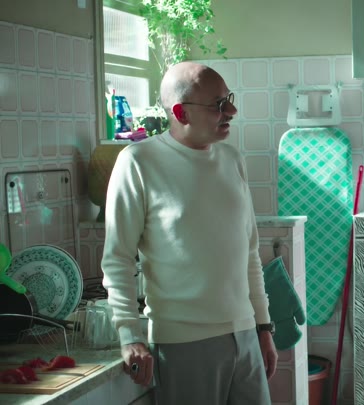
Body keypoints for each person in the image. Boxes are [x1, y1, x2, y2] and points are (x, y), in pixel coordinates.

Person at [102, 61, 277, 404]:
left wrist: (263, 326)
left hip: (245, 336)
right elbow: (118, 258)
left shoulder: (232, 159)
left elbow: (249, 252)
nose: (231, 111)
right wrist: (129, 334)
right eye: (218, 105)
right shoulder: (138, 162)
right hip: (182, 344)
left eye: (229, 99)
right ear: (181, 113)